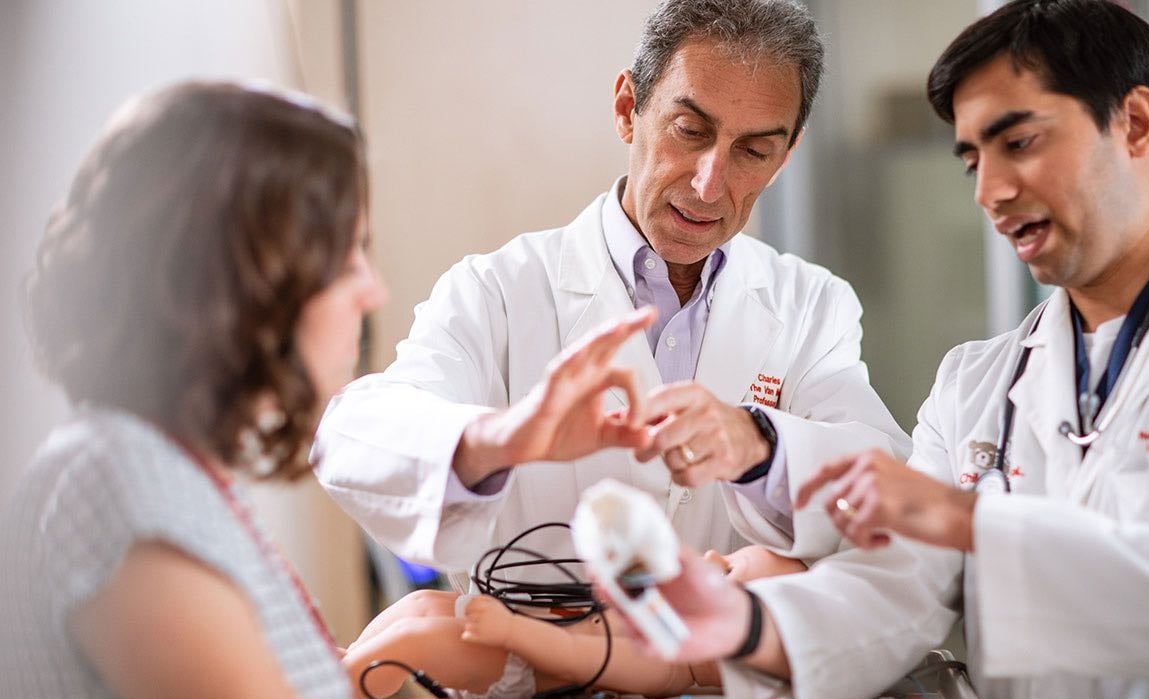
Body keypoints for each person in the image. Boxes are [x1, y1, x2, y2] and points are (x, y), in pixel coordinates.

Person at [624, 2, 1149, 699]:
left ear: (1137, 124)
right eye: (971, 160)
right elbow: (894, 588)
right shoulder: (976, 385)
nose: (988, 192)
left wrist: (967, 522)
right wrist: (738, 620)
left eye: (1018, 142)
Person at [0, 81, 558, 699]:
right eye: (346, 256)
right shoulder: (121, 487)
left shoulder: (157, 469)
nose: (372, 289)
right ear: (244, 280)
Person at [313, 0, 910, 583]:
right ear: (628, 108)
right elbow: (351, 440)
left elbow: (891, 485)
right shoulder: (496, 289)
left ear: (786, 156)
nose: (709, 184)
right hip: (531, 674)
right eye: (689, 131)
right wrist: (502, 437)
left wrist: (761, 446)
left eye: (753, 151)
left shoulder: (811, 305)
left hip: (729, 676)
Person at [342, 545, 807, 699]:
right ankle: (335, 668)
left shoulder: (664, 665)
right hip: (508, 625)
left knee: (413, 644)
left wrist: (511, 631)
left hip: (515, 661)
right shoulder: (655, 613)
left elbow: (580, 657)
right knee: (419, 604)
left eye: (725, 572)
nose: (710, 556)